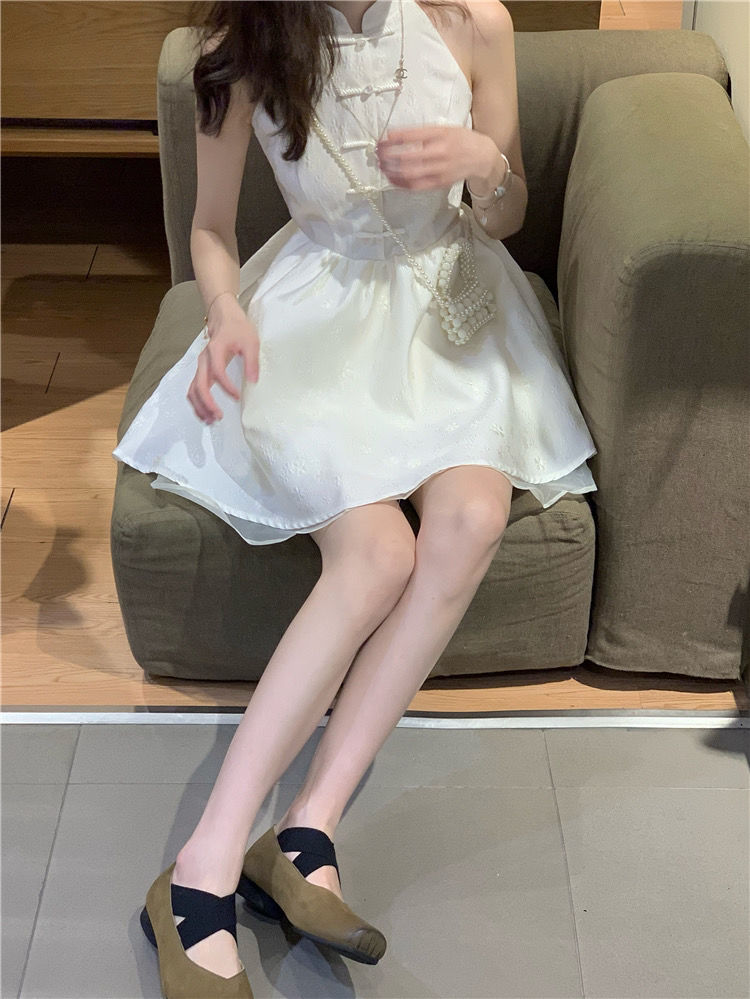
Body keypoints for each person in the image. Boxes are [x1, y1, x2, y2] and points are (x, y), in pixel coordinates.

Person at [116, 1, 598, 995]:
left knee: (472, 517)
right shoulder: (243, 49)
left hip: (454, 310)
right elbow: (210, 229)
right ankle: (202, 867)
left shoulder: (475, 22)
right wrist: (223, 313)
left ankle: (306, 831)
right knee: (378, 554)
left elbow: (502, 211)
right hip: (317, 320)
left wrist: (485, 160)